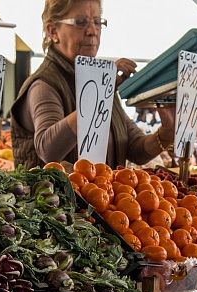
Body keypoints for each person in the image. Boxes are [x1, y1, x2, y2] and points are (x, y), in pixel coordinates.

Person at [9, 0, 174, 168]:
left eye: (97, 22)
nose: (92, 31)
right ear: (53, 31)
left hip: (103, 194)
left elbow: (136, 148)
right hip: (58, 194)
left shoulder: (100, 81)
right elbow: (48, 150)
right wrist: (99, 97)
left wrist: (166, 133)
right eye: (80, 22)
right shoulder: (43, 85)